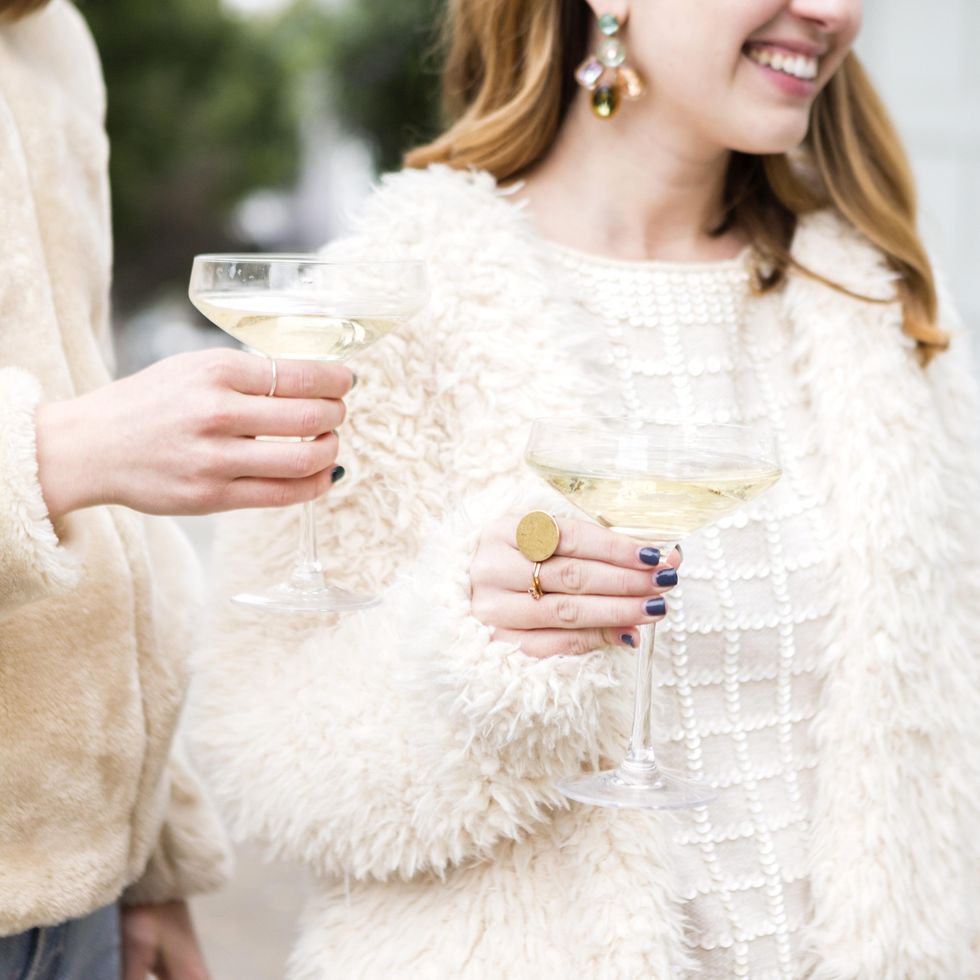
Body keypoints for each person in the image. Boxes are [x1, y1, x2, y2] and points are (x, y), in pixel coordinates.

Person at [190, 0, 980, 977]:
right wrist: (475, 644)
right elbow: (269, 762)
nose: (831, 11)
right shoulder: (400, 293)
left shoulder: (881, 297)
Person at [0, 1, 352, 977]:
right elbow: (80, 440)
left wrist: (151, 851)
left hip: (82, 901)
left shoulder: (55, 43)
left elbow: (87, 420)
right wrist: (58, 452)